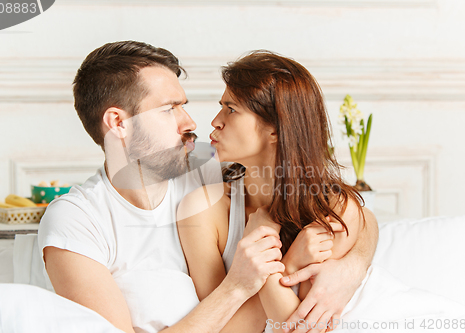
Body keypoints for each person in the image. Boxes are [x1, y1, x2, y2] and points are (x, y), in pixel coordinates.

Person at [38, 41, 286, 333]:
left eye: (183, 106)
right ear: (118, 123)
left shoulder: (212, 173)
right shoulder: (77, 221)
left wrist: (350, 264)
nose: (190, 122)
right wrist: (236, 288)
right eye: (169, 109)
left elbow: (331, 200)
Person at [177, 51, 379, 333]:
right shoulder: (202, 209)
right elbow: (222, 327)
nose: (215, 121)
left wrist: (269, 263)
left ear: (274, 129)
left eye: (231, 109)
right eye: (221, 106)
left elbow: (301, 328)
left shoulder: (335, 211)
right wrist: (289, 263)